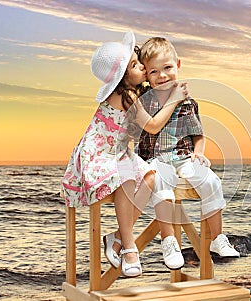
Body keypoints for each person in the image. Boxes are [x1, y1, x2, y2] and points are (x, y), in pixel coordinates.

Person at [61, 30, 188, 277]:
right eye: (135, 64)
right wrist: (173, 99)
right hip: (99, 154)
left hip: (117, 152)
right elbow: (152, 125)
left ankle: (118, 236)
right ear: (122, 77)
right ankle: (129, 248)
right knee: (126, 179)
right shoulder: (125, 95)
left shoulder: (134, 92)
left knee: (150, 177)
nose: (142, 65)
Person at [137, 37, 240, 270]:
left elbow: (198, 134)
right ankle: (169, 240)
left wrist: (199, 153)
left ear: (178, 65)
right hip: (156, 158)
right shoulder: (145, 100)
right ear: (146, 75)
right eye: (154, 71)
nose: (162, 76)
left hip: (183, 156)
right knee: (162, 181)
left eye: (167, 68)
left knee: (210, 180)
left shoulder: (188, 102)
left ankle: (217, 238)